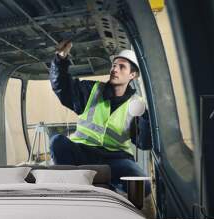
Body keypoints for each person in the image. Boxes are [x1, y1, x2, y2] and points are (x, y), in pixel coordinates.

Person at [49, 40, 152, 195]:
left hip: (115, 159)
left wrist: (145, 118)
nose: (114, 69)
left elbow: (144, 144)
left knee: (142, 187)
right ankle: (74, 190)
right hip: (82, 152)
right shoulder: (91, 90)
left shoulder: (137, 105)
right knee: (57, 142)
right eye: (114, 65)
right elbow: (61, 86)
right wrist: (60, 59)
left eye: (121, 67)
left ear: (133, 75)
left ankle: (115, 195)